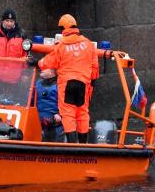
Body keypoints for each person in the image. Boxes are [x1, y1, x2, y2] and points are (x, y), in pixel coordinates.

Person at [35, 14, 111, 144]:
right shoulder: (88, 44)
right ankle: (83, 144)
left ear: (63, 28)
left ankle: (71, 144)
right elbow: (95, 68)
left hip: (67, 84)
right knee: (82, 113)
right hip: (83, 83)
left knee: (68, 114)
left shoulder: (61, 45)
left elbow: (48, 62)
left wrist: (36, 63)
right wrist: (91, 83)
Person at [35, 75, 64, 142]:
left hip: (54, 118)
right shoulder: (37, 83)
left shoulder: (60, 84)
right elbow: (31, 98)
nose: (42, 70)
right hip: (37, 116)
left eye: (45, 68)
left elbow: (64, 102)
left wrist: (59, 113)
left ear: (52, 72)